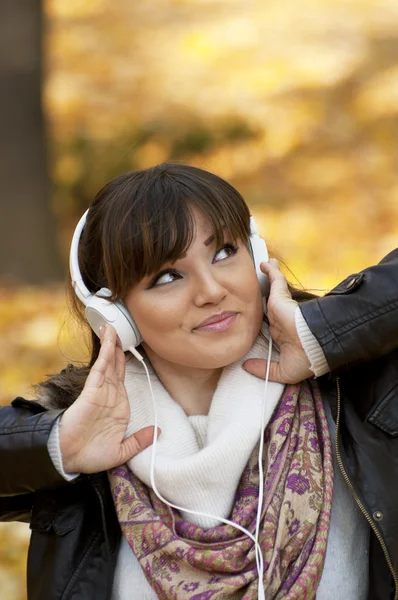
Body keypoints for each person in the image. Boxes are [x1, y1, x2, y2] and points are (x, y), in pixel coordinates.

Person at [0, 163, 397, 600]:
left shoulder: (358, 393)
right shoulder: (88, 439)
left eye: (224, 251)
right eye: (167, 276)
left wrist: (324, 333)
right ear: (115, 316)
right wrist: (59, 445)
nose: (211, 289)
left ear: (256, 254)